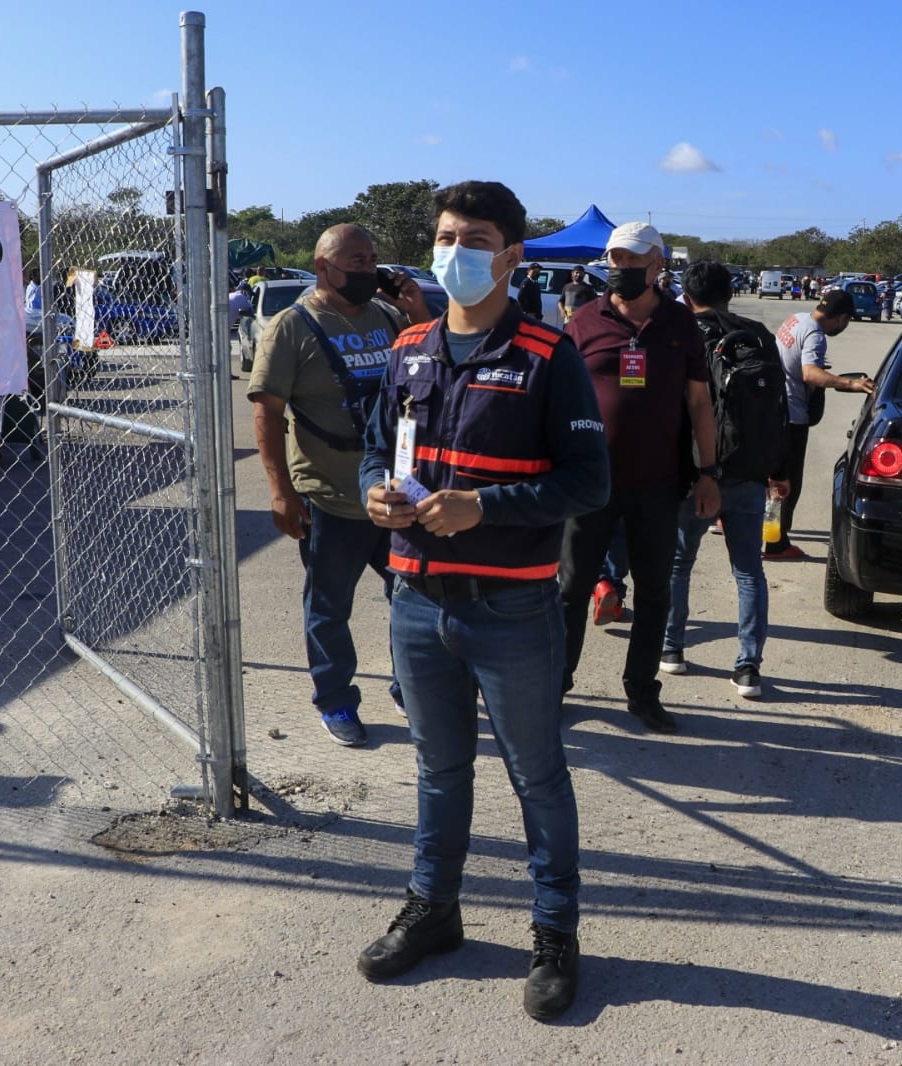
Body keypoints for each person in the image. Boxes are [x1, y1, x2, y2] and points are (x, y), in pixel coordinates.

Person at [356, 180, 608, 1022]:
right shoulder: (412, 346)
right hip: (417, 601)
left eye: (471, 238)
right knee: (438, 769)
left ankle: (555, 933)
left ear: (508, 255)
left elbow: (587, 481)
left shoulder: (547, 353)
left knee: (537, 776)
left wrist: (484, 508)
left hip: (512, 610)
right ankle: (436, 909)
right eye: (444, 235)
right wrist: (372, 496)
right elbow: (373, 453)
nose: (452, 250)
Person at [247, 223, 430, 748]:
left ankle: (411, 689)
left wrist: (415, 308)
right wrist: (280, 491)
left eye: (372, 259)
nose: (368, 270)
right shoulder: (292, 326)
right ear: (324, 266)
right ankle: (336, 701)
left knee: (413, 599)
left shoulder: (387, 317)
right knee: (329, 609)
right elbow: (267, 413)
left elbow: (437, 361)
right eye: (355, 261)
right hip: (328, 495)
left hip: (396, 494)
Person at [560, 221, 722, 734]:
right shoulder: (584, 321)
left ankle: (642, 691)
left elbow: (700, 403)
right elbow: (558, 401)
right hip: (589, 484)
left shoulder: (680, 325)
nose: (621, 269)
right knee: (570, 590)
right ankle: (554, 687)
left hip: (657, 483)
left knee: (655, 592)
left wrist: (708, 473)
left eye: (632, 260)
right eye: (615, 259)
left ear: (657, 264)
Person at [664, 261, 788, 697]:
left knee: (680, 563)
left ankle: (672, 648)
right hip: (751, 471)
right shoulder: (758, 335)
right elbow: (780, 409)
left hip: (697, 472)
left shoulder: (681, 332)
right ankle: (748, 667)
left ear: (686, 292)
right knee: (749, 572)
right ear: (730, 293)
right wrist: (780, 471)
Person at [766, 289, 874, 560]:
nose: (845, 326)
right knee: (788, 482)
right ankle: (776, 544)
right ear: (841, 318)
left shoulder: (796, 319)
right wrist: (851, 383)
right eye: (847, 321)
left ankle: (766, 532)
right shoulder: (815, 333)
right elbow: (809, 373)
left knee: (772, 477)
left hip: (774, 409)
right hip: (792, 414)